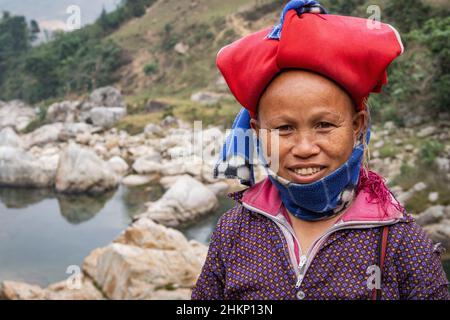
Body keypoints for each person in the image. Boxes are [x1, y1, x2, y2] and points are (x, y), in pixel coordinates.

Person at [191, 0, 450, 300]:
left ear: (357, 126)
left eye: (324, 125)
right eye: (284, 128)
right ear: (257, 131)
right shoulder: (233, 231)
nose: (304, 148)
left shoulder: (398, 241)